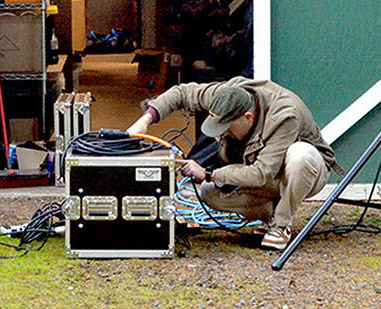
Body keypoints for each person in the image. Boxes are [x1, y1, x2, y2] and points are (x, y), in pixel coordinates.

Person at [128, 77, 342, 250]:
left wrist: (210, 174)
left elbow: (262, 174)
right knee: (208, 193)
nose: (224, 133)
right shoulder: (226, 95)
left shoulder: (285, 115)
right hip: (264, 172)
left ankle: (280, 225)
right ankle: (272, 214)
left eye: (228, 127)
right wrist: (146, 120)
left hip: (307, 171)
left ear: (248, 117)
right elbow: (182, 93)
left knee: (300, 155)